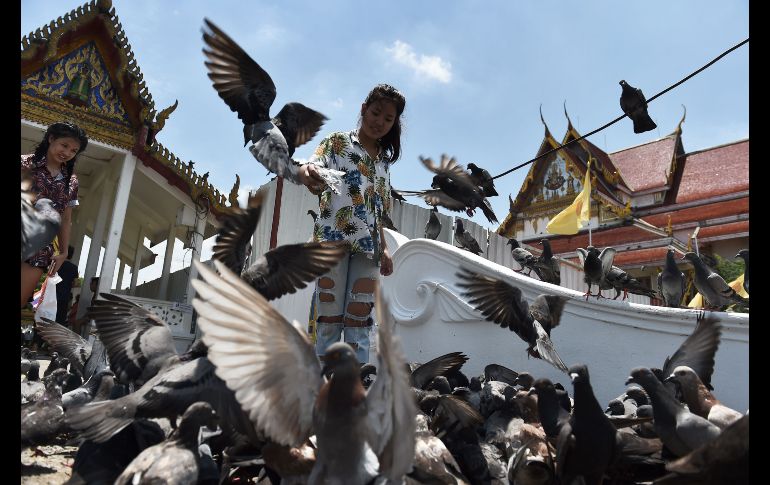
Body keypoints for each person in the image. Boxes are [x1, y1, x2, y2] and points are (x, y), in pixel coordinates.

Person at [298, 83, 406, 363]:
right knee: (329, 318)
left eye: (388, 119)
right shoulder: (337, 143)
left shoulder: (384, 163)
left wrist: (383, 248)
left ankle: (355, 391)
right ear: (363, 109)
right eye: (376, 113)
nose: (379, 122)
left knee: (360, 319)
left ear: (394, 123)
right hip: (331, 241)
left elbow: (377, 212)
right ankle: (323, 388)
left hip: (368, 248)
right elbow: (314, 164)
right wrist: (309, 171)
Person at [21, 122, 88, 309]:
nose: (67, 152)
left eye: (74, 150)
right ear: (51, 139)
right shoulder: (25, 163)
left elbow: (66, 219)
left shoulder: (71, 182)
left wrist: (64, 252)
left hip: (39, 249)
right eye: (64, 145)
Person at [55, 245, 79, 324]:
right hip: (65, 297)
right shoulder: (74, 268)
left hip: (52, 295)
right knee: (59, 320)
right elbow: (76, 284)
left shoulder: (56, 264)